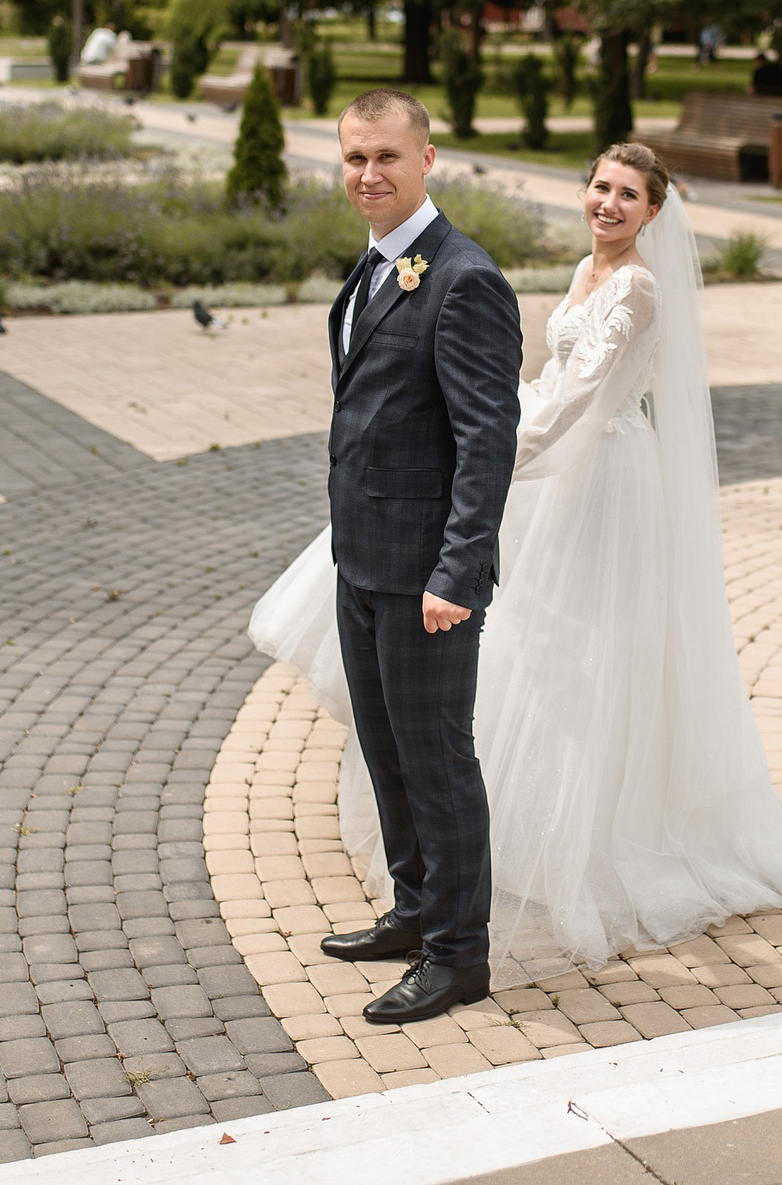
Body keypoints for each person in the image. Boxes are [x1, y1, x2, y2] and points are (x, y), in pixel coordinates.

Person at [251, 135, 782, 1009]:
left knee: (553, 678)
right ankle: (418, 907)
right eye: (600, 186)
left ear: (654, 212)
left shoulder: (632, 285)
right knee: (485, 685)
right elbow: (544, 375)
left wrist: (482, 458)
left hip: (600, 479)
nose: (608, 204)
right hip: (528, 472)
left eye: (628, 194)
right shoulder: (584, 270)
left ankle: (486, 918)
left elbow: (576, 397)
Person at [253, 89, 520, 1025]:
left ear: (428, 159)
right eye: (355, 159)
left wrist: (457, 571)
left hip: (426, 584)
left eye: (388, 159)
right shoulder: (374, 268)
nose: (370, 175)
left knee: (437, 759)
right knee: (386, 751)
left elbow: (488, 441)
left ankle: (458, 955)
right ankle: (413, 909)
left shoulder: (462, 277)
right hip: (362, 564)